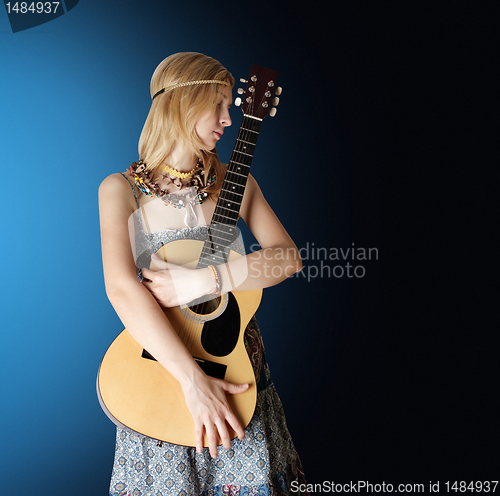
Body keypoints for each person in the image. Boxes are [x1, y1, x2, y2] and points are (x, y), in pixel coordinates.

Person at [99, 52, 306, 496]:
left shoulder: (236, 183)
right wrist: (193, 383)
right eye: (218, 104)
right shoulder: (120, 190)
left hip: (236, 365)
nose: (228, 119)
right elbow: (120, 288)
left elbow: (287, 258)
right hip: (161, 372)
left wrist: (203, 281)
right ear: (181, 102)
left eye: (232, 106)